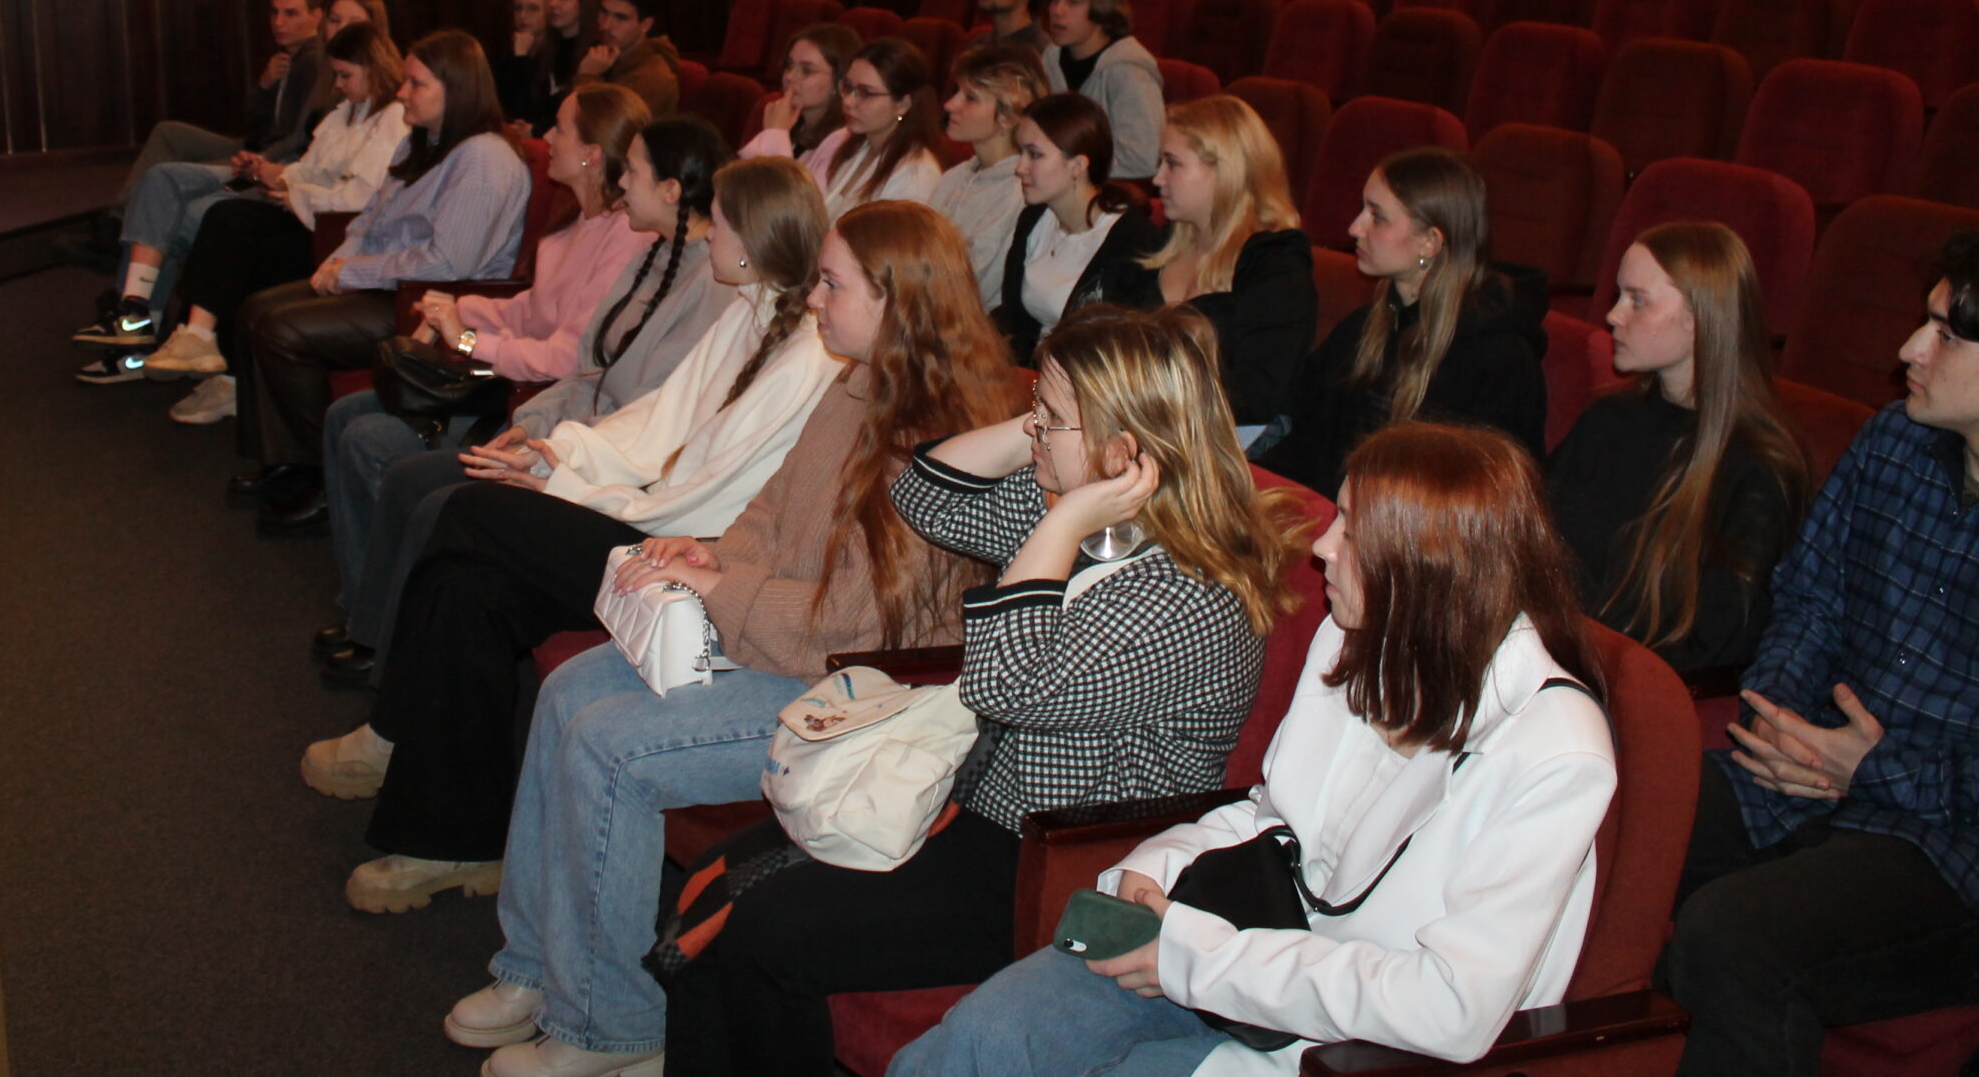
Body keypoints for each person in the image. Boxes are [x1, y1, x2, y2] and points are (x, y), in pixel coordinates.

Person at [412, 203, 1023, 1077]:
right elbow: (770, 511)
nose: (814, 299)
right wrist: (712, 554)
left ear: (895, 299)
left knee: (614, 748)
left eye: (833, 284)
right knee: (568, 690)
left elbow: (851, 627)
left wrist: (717, 587)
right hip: (784, 640)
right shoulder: (857, 379)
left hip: (859, 689)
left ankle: (610, 1024)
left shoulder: (942, 436)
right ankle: (537, 966)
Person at [662, 306, 1306, 1077]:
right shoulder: (1093, 524)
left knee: (769, 928)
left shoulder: (1184, 600)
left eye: (1051, 418)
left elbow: (1005, 684)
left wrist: (1066, 515)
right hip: (974, 805)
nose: (1034, 430)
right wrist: (1052, 445)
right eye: (1037, 409)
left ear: (1121, 449)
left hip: (1054, 861)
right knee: (721, 878)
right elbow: (921, 494)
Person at [895, 421, 1616, 1077]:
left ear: (1427, 564)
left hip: (1350, 1042)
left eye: (1352, 530)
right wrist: (1155, 868)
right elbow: (1274, 814)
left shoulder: (1555, 751)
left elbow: (1452, 1009)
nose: (1323, 546)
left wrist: (1194, 957)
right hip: (1237, 949)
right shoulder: (1358, 635)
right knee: (982, 1038)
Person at [296, 158, 838, 872]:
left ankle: (393, 725)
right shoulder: (752, 309)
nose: (710, 236)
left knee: (469, 511)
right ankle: (452, 844)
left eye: (722, 223)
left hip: (682, 551)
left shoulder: (807, 356)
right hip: (650, 518)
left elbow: (714, 495)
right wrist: (560, 455)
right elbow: (658, 423)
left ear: (754, 237)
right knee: (470, 589)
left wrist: (567, 487)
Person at [1659, 229, 1979, 1077]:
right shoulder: (1894, 441)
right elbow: (1811, 597)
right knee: (1610, 823)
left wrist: (1873, 769)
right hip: (1809, 772)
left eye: (1946, 336)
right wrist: (1780, 716)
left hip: (1963, 851)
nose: (1909, 350)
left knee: (1731, 937)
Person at [317, 117, 737, 686]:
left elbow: (646, 420)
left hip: (601, 467)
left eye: (634, 172)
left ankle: (390, 662)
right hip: (563, 436)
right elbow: (589, 369)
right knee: (413, 480)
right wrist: (531, 423)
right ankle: (375, 638)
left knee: (434, 496)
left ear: (670, 189)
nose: (621, 182)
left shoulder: (708, 284)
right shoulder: (653, 254)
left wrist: (546, 446)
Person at [222, 30, 531, 526]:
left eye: (416, 84)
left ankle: (321, 478)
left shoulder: (483, 157)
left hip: (427, 302)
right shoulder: (424, 141)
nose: (402, 93)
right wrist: (335, 266)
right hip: (388, 284)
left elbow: (449, 263)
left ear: (455, 89)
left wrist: (352, 272)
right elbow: (370, 221)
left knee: (283, 329)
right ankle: (285, 463)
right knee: (256, 310)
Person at [1546, 222, 1810, 672]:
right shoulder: (1608, 420)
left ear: (1700, 319)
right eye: (1618, 295)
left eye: (1637, 300)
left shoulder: (1759, 468)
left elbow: (1718, 642)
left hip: (1626, 683)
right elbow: (1533, 541)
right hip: (1557, 657)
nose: (1613, 316)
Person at [75, 21, 406, 374]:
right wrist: (274, 173)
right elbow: (308, 165)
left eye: (345, 75)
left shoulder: (392, 118)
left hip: (328, 225)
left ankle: (175, 335)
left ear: (373, 69)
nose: (337, 84)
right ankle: (141, 315)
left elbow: (359, 196)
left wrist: (292, 189)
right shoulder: (349, 111)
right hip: (296, 195)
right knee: (163, 182)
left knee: (217, 216)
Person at [1262, 149, 1547, 499]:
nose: (1354, 228)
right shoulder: (1362, 330)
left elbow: (1488, 500)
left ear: (1430, 241)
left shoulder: (1498, 361)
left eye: (1377, 217)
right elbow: (1302, 445)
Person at [1140, 94, 1316, 441]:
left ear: (1225, 171)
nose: (1157, 179)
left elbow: (1257, 396)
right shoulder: (1160, 244)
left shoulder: (1277, 268)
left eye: (1172, 164)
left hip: (1223, 445)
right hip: (1148, 429)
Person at [108, 0, 335, 205]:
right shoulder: (286, 59)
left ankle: (121, 214)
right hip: (253, 145)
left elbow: (297, 138)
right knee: (168, 133)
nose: (278, 22)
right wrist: (264, 86)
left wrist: (262, 159)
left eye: (290, 14)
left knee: (167, 174)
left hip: (270, 157)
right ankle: (124, 209)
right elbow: (252, 127)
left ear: (316, 17)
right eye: (274, 13)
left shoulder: (312, 63)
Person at [994, 93, 1165, 359]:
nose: (1020, 168)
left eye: (1034, 155)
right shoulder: (1034, 219)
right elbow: (1014, 320)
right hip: (1032, 370)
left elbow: (1122, 348)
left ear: (1078, 166)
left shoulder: (1131, 239)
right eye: (1021, 153)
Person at [925, 43, 1046, 306]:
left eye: (970, 98)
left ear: (1008, 116)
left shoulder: (1019, 194)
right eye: (956, 92)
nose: (950, 104)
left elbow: (976, 290)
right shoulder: (953, 177)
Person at [1039, 0, 1166, 181]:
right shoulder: (1050, 57)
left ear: (1102, 7)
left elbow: (1142, 159)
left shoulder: (1128, 70)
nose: (1057, 10)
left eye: (1073, 1)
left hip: (1106, 192)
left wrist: (1067, 168)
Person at [819, 37, 947, 209]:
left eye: (866, 93)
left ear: (902, 105)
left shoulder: (916, 173)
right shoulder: (857, 147)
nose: (848, 101)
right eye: (848, 88)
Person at [741, 22, 861, 173]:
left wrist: (775, 133)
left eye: (807, 70)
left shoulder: (842, 143)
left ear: (840, 83)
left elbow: (782, 188)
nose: (789, 77)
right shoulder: (793, 125)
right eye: (789, 65)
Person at [575, 0, 681, 118]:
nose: (606, 25)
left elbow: (596, 126)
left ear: (645, 25)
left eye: (620, 17)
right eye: (603, 12)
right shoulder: (604, 53)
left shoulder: (654, 79)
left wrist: (588, 76)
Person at [512, 0, 598, 134]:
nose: (552, 3)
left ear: (584, 3)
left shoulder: (595, 54)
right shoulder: (547, 50)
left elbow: (582, 118)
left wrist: (536, 130)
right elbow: (524, 108)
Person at [493, 0, 549, 121]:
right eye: (518, 8)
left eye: (533, 9)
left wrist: (520, 60)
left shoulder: (556, 56)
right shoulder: (508, 54)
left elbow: (528, 108)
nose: (523, 16)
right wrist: (519, 57)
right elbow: (504, 104)